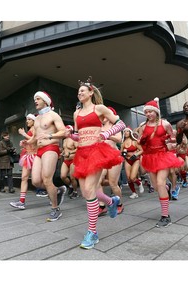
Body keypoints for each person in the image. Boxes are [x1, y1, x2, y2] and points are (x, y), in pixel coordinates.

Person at [66, 77, 126, 249]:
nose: (80, 93)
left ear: (91, 92)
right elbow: (79, 135)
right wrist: (70, 134)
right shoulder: (76, 113)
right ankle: (111, 201)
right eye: (78, 92)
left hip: (96, 151)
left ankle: (92, 233)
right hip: (81, 153)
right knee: (86, 192)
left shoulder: (99, 108)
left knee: (90, 190)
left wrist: (107, 134)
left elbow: (120, 124)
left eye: (83, 90)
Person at [137, 98, 184, 227]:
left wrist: (169, 143)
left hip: (163, 156)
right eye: (146, 112)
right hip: (150, 157)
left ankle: (165, 216)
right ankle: (167, 188)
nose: (148, 114)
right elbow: (140, 143)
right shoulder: (142, 126)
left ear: (156, 112)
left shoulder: (165, 124)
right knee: (158, 187)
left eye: (150, 112)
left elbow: (173, 140)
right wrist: (142, 141)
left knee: (160, 183)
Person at [30, 91, 67, 221]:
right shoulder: (37, 118)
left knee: (47, 179)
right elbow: (36, 136)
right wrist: (28, 141)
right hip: (39, 150)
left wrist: (50, 136)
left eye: (38, 98)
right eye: (35, 99)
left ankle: (55, 209)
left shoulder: (53, 115)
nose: (35, 101)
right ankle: (57, 190)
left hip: (51, 148)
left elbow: (63, 132)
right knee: (35, 181)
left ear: (45, 101)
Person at [10, 114, 43, 209]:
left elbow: (36, 140)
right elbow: (30, 142)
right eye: (26, 119)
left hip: (35, 156)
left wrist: (24, 135)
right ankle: (21, 201)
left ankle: (53, 193)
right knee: (24, 178)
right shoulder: (30, 130)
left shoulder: (36, 129)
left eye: (29, 119)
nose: (27, 121)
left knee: (40, 180)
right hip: (28, 156)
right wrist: (24, 143)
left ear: (34, 120)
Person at [98, 106, 124, 215]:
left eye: (104, 115)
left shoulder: (115, 125)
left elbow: (118, 139)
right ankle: (102, 205)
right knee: (97, 181)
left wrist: (107, 135)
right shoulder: (99, 126)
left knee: (113, 183)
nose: (102, 117)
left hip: (114, 155)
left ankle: (119, 204)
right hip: (101, 156)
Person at [120, 127, 143, 199]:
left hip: (135, 159)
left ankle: (139, 183)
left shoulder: (134, 141)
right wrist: (123, 154)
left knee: (133, 178)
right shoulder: (123, 143)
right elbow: (121, 153)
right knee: (129, 179)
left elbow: (141, 150)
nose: (126, 133)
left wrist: (135, 154)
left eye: (127, 131)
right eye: (124, 132)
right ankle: (134, 193)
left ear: (130, 132)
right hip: (127, 160)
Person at [60, 125, 79, 199]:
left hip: (73, 160)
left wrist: (70, 153)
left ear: (70, 131)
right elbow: (65, 150)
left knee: (72, 177)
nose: (64, 131)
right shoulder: (64, 140)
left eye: (66, 130)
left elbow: (78, 149)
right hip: (66, 160)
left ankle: (75, 191)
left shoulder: (74, 139)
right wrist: (63, 152)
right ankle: (71, 186)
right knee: (63, 176)